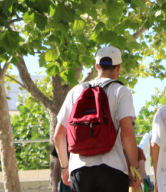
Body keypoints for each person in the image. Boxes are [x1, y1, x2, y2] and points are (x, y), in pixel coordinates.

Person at [54, 46, 142, 192]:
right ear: (118, 67)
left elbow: (58, 135)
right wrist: (134, 168)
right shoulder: (121, 91)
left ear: (96, 66)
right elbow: (127, 132)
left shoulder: (76, 91)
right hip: (113, 168)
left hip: (80, 170)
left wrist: (65, 167)